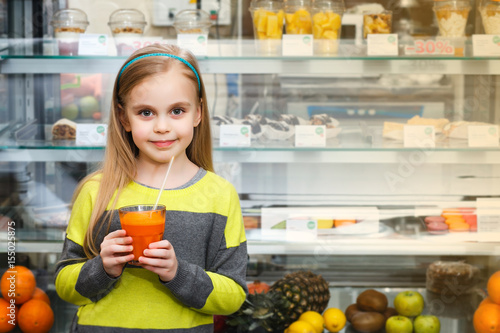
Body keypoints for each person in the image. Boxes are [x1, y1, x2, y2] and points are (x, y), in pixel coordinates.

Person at [55, 44, 248, 332]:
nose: (162, 126)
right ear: (124, 117)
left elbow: (233, 295)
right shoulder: (97, 191)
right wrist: (102, 268)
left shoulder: (220, 195)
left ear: (198, 114)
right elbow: (64, 286)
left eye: (177, 111)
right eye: (146, 112)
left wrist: (177, 273)